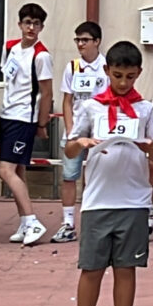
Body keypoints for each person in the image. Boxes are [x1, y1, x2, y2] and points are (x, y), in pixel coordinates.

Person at [62, 41, 153, 306]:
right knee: (91, 269)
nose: (123, 82)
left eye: (130, 77)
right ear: (107, 71)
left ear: (139, 74)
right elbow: (69, 149)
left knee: (126, 269)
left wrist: (149, 147)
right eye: (118, 75)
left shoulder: (146, 109)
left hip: (133, 201)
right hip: (98, 200)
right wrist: (82, 142)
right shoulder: (91, 107)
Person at [0, 3, 54, 246]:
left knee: (5, 170)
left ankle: (33, 221)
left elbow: (47, 92)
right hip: (7, 114)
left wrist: (41, 123)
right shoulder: (9, 47)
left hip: (24, 118)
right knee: (17, 170)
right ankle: (24, 222)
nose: (31, 28)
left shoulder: (41, 55)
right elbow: (8, 79)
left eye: (36, 24)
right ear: (20, 24)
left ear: (41, 27)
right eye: (28, 23)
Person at [54, 21, 109, 243]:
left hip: (99, 130)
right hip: (77, 129)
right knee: (69, 176)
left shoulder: (106, 67)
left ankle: (91, 220)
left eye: (85, 40)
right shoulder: (72, 67)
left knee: (94, 177)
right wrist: (70, 131)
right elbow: (67, 101)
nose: (80, 44)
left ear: (97, 41)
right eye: (78, 40)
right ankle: (68, 223)